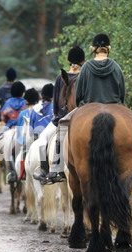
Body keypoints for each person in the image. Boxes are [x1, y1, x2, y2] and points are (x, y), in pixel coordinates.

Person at [74, 33, 132, 186]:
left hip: (88, 105)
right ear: (108, 48)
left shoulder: (86, 67)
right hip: (115, 104)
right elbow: (122, 93)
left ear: (93, 49)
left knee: (63, 127)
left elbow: (78, 95)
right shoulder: (115, 66)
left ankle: (57, 166)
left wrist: (82, 105)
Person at [35, 47, 86, 185]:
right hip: (83, 117)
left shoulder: (60, 78)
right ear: (83, 61)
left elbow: (56, 102)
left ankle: (46, 172)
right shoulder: (85, 76)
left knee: (42, 139)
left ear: (68, 61)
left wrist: (56, 115)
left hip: (62, 118)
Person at [0, 81, 26, 167]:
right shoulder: (24, 102)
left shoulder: (8, 102)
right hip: (22, 127)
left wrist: (6, 120)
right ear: (23, 92)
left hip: (9, 127)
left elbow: (3, 116)